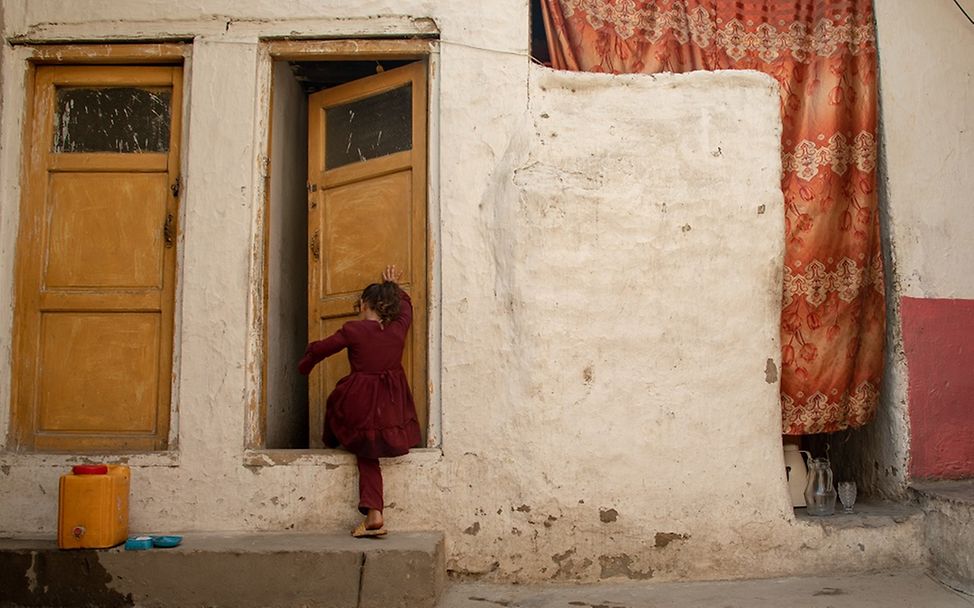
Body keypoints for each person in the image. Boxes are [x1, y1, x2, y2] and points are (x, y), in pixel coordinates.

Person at [298, 265, 421, 537]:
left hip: (361, 401)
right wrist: (395, 288)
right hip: (390, 405)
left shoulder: (354, 329)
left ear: (364, 304)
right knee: (369, 452)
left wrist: (305, 364)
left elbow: (323, 348)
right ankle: (374, 513)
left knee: (335, 404)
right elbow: (407, 310)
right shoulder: (397, 330)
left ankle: (332, 442)